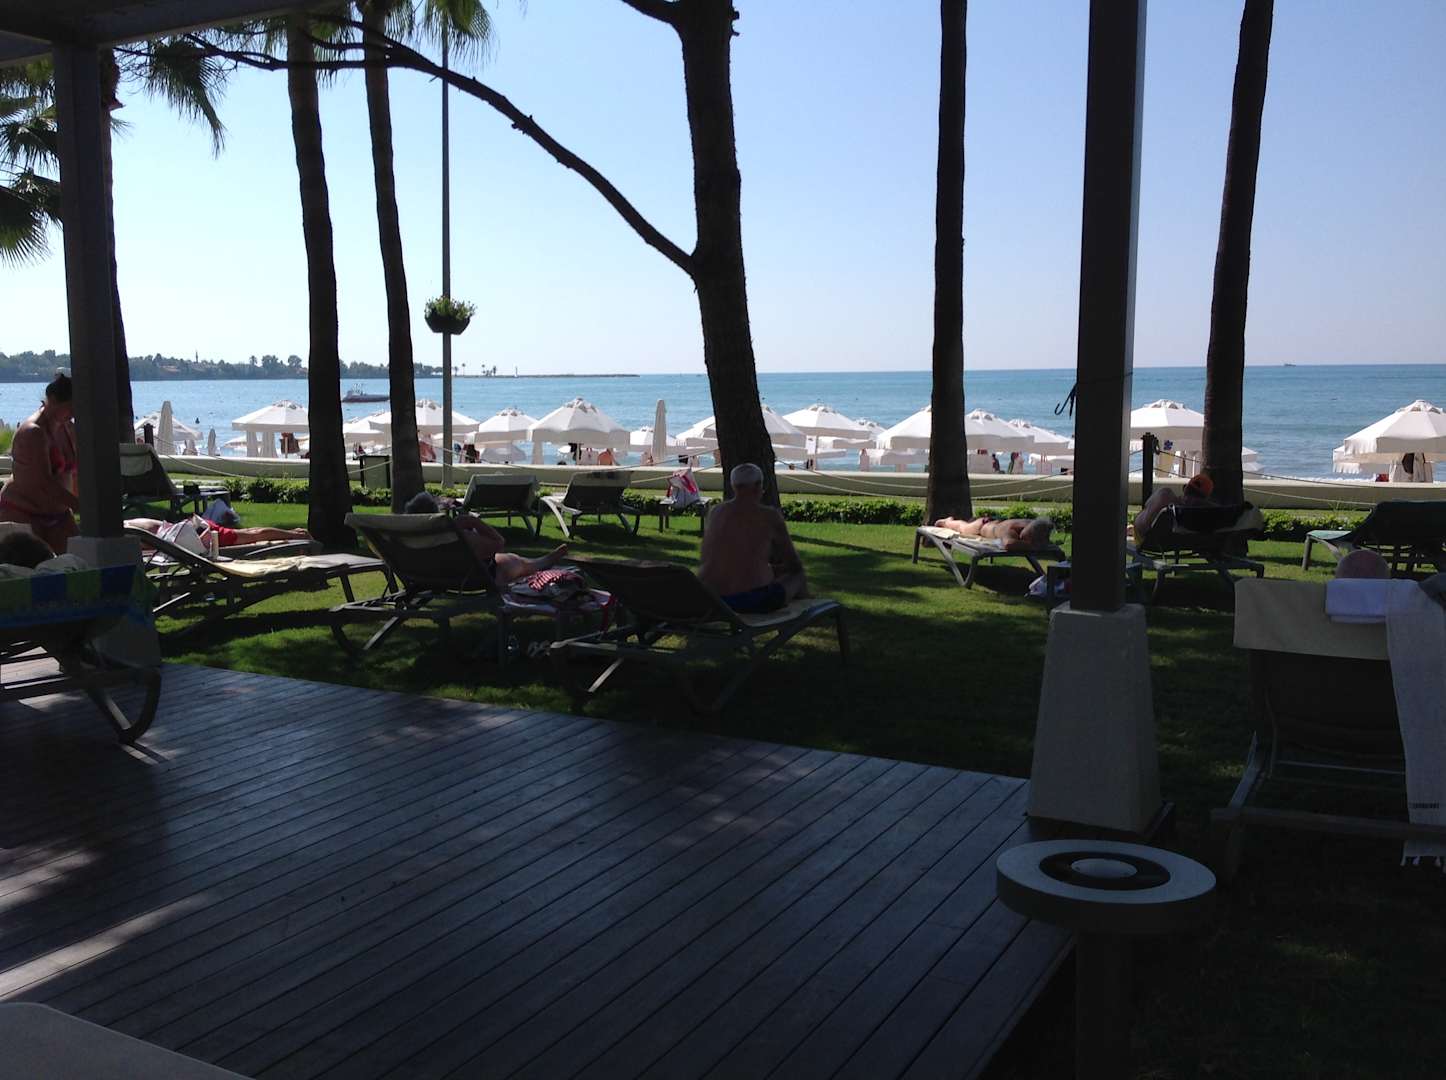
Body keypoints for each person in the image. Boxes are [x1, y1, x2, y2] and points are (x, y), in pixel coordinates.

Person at [698, 462, 806, 613]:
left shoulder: (716, 512)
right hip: (750, 600)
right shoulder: (769, 516)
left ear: (734, 486)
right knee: (798, 575)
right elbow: (794, 563)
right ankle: (804, 609)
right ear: (757, 486)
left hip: (711, 598)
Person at [403, 491, 567, 585]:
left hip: (430, 578)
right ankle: (542, 562)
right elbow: (499, 543)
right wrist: (472, 521)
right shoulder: (456, 537)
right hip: (471, 579)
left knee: (504, 558)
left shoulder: (406, 540)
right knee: (510, 560)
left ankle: (541, 561)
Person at [0, 372, 79, 554]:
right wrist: (81, 506)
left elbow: (76, 472)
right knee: (32, 565)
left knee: (79, 561)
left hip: (59, 514)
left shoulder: (68, 427)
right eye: (71, 407)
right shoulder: (33, 432)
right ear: (53, 400)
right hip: (23, 511)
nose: (74, 413)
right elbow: (43, 483)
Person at [127, 516, 311, 550]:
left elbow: (154, 546)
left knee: (254, 535)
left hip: (200, 536)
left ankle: (298, 536)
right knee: (249, 532)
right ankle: (295, 533)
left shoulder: (130, 531)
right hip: (196, 526)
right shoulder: (133, 522)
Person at [1133, 472, 1216, 539]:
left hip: (1148, 539)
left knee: (1165, 493)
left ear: (1185, 489)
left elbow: (1147, 515)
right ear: (1205, 498)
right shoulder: (1204, 516)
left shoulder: (1165, 496)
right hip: (1175, 541)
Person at [932, 515, 1053, 550]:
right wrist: (1033, 546)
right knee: (961, 527)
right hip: (981, 526)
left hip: (993, 523)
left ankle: (949, 521)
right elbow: (1009, 544)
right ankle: (947, 521)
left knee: (962, 526)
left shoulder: (1031, 524)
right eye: (1027, 538)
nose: (1023, 538)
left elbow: (1045, 530)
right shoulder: (1010, 530)